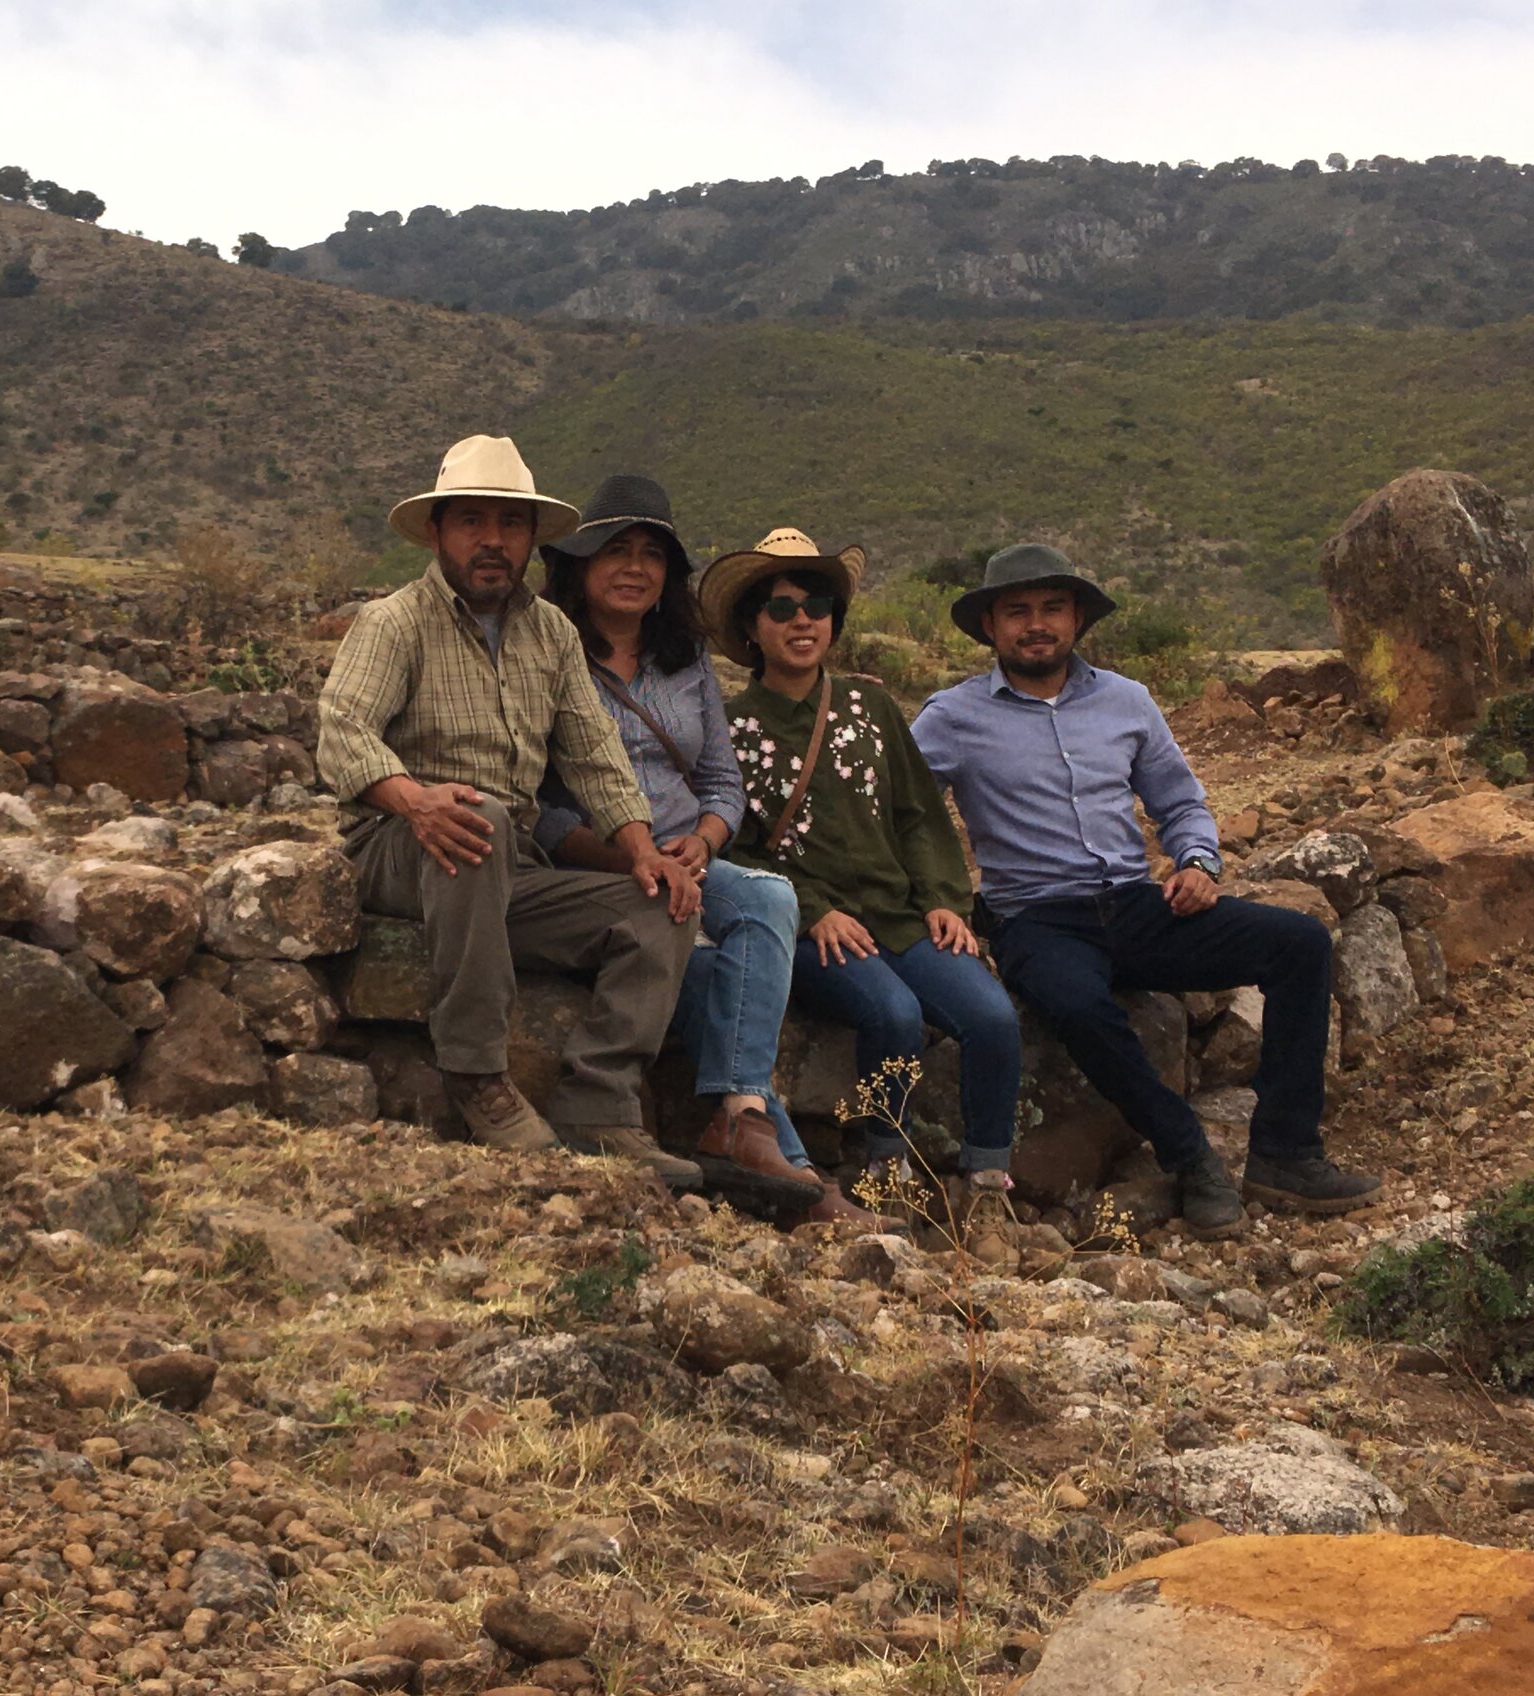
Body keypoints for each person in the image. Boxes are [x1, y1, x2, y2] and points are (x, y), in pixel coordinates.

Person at [911, 543, 1382, 1235]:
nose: (1035, 624)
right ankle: (1188, 1153)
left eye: (1051, 608)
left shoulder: (1125, 700)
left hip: (1137, 904)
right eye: (1016, 612)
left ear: (1076, 618)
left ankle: (1285, 1152)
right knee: (1077, 1002)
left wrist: (1196, 861)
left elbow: (1182, 802)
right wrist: (937, 893)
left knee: (1301, 942)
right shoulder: (952, 717)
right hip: (1036, 918)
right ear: (989, 626)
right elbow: (901, 811)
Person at [316, 436, 704, 1186]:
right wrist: (414, 798)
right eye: (471, 521)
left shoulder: (552, 633)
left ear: (532, 537)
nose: (492, 541)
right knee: (478, 817)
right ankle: (477, 1076)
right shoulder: (395, 622)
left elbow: (595, 754)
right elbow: (342, 731)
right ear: (436, 532)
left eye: (510, 524)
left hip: (505, 862)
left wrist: (641, 850)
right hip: (398, 843)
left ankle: (600, 1103)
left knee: (664, 905)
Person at [532, 476, 856, 1224]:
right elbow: (539, 807)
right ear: (579, 563)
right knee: (711, 968)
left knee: (769, 897)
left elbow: (721, 782)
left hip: (691, 859)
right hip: (597, 861)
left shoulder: (686, 661)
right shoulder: (548, 656)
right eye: (616, 550)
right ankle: (797, 1174)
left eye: (652, 553)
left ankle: (738, 1120)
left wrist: (705, 841)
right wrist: (629, 856)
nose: (635, 567)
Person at [707, 529, 1025, 1200]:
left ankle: (990, 1181)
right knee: (892, 1012)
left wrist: (944, 897)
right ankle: (888, 1170)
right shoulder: (728, 728)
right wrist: (814, 910)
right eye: (781, 606)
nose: (802, 620)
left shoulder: (872, 707)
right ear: (751, 626)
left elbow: (918, 814)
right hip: (812, 927)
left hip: (902, 915)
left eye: (816, 604)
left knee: (993, 1016)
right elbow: (733, 845)